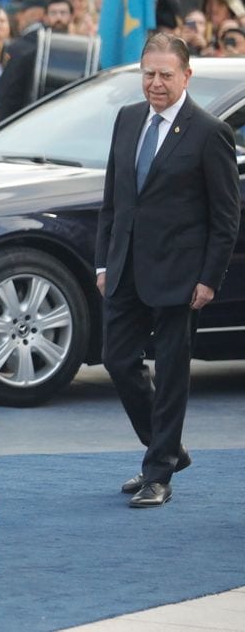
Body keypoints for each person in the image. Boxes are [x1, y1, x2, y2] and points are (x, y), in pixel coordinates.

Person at [95, 33, 240, 508]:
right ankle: (170, 448)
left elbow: (225, 216)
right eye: (148, 74)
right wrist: (103, 261)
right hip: (124, 268)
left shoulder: (208, 131)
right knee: (118, 361)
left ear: (186, 76)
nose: (155, 84)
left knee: (173, 372)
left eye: (165, 75)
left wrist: (209, 278)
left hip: (181, 275)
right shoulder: (127, 119)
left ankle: (158, 471)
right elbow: (114, 200)